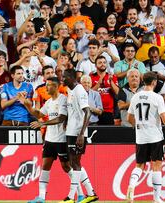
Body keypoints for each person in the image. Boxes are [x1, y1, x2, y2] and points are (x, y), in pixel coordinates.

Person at [22, 77, 83, 203]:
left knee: (66, 167)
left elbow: (61, 118)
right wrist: (28, 106)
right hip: (49, 140)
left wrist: (43, 124)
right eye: (46, 85)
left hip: (61, 140)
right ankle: (41, 197)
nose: (46, 88)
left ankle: (80, 193)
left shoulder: (63, 100)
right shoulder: (49, 102)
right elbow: (39, 114)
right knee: (45, 166)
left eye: (49, 85)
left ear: (56, 86)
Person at [125, 71, 165, 203]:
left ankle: (132, 186)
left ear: (143, 81)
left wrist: (137, 126)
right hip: (155, 136)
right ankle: (156, 198)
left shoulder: (135, 97)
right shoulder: (157, 98)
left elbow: (129, 118)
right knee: (157, 166)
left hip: (141, 137)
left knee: (139, 165)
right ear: (154, 82)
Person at [60, 68, 99, 203]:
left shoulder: (80, 90)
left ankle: (71, 197)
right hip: (71, 131)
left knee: (75, 163)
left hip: (77, 132)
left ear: (71, 77)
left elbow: (87, 112)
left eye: (64, 77)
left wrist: (82, 134)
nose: (62, 79)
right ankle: (91, 193)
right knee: (74, 163)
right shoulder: (70, 90)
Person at [90, 55, 119, 125]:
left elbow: (117, 92)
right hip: (94, 111)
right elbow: (89, 93)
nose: (102, 64)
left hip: (108, 111)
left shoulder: (112, 76)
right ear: (95, 65)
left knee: (107, 135)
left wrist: (111, 82)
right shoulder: (91, 77)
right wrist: (99, 83)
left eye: (104, 62)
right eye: (100, 63)